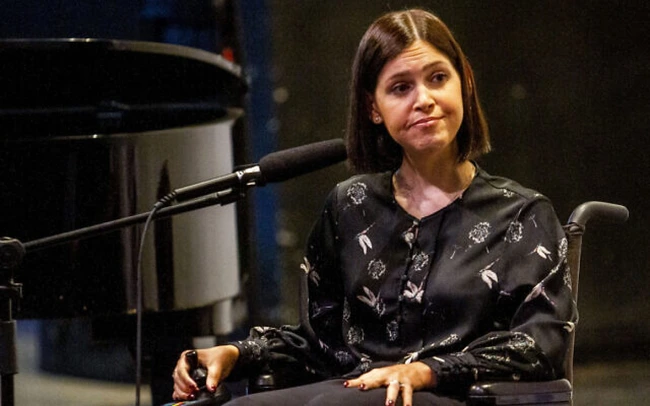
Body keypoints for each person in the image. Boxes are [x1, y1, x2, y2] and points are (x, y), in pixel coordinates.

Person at [171, 8, 576, 406]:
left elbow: (541, 344)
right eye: (400, 88)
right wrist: (237, 353)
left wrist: (428, 371)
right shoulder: (350, 206)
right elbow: (319, 343)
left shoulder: (521, 215)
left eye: (438, 78)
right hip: (356, 391)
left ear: (465, 84)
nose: (424, 100)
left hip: (455, 394)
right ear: (373, 108)